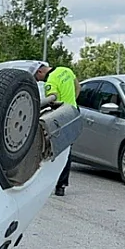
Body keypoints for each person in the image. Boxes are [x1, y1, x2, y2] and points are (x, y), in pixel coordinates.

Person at [35, 62, 80, 196]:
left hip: (60, 117)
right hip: (73, 112)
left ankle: (50, 183)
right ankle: (62, 185)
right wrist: (72, 102)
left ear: (40, 72)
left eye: (38, 79)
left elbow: (52, 100)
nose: (40, 81)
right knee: (67, 151)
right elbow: (78, 87)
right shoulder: (66, 70)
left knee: (54, 150)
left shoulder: (51, 81)